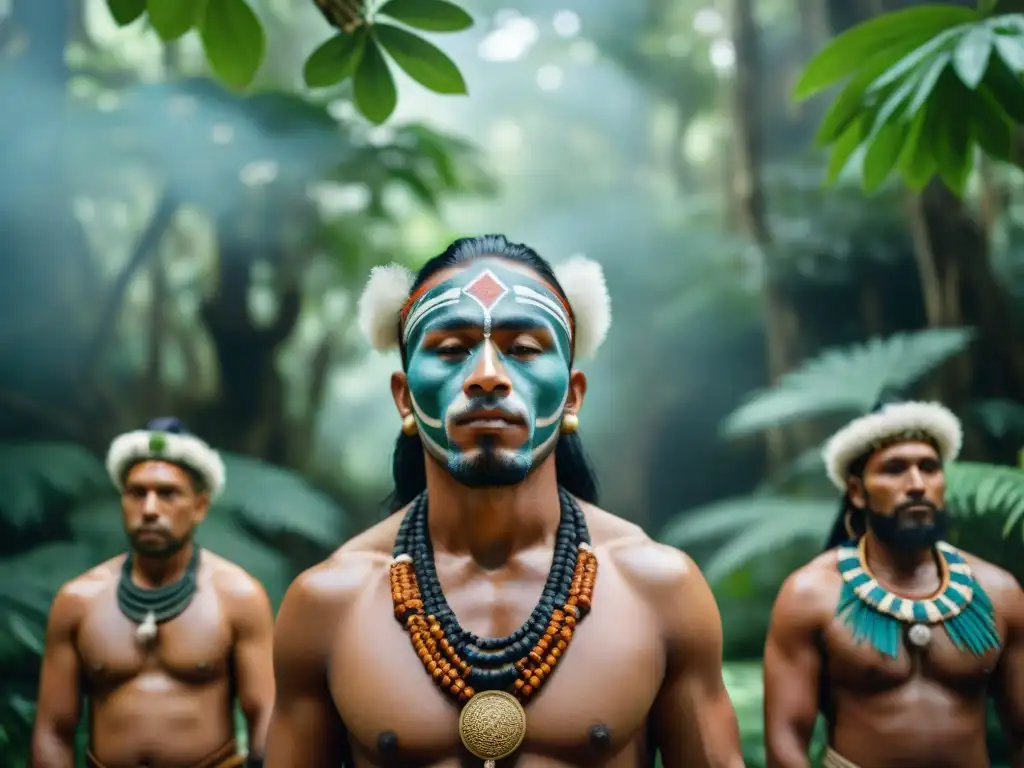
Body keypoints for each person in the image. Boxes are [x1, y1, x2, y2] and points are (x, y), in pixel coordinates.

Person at [265, 235, 745, 768]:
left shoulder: (659, 589)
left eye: (524, 350)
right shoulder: (331, 602)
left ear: (571, 393)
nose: (488, 376)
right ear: (403, 395)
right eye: (450, 350)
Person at [763, 393, 1024, 768]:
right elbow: (785, 739)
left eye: (929, 467)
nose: (916, 483)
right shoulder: (811, 595)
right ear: (857, 492)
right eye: (894, 468)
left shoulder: (1000, 592)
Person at [32, 418, 275, 768]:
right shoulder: (78, 601)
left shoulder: (238, 597)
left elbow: (266, 716)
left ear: (200, 507)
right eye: (136, 492)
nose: (149, 509)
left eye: (167, 493)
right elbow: (52, 731)